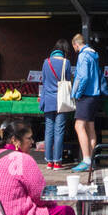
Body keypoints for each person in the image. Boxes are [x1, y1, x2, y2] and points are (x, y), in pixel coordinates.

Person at [70, 32, 107, 171]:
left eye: (74, 46)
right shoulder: (94, 55)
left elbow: (83, 77)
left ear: (76, 44)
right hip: (95, 96)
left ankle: (85, 160)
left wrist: (78, 93)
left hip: (85, 95)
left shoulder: (83, 55)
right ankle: (90, 160)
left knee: (79, 126)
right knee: (90, 127)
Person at [39, 38, 74, 169]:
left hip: (48, 100)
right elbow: (68, 79)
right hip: (62, 100)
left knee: (49, 130)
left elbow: (44, 80)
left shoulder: (46, 62)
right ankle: (57, 162)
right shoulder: (66, 62)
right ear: (64, 51)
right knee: (59, 131)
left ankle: (48, 161)